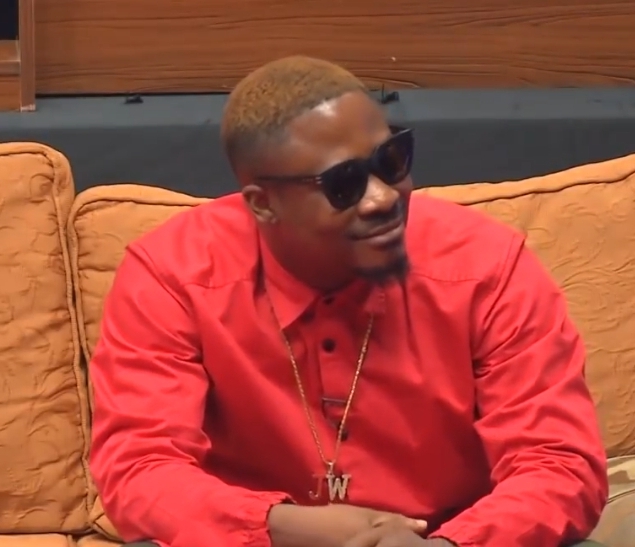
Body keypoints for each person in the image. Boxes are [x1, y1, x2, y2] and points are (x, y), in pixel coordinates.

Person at [89, 56, 608, 547]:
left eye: (391, 161)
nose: (383, 197)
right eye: (345, 183)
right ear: (263, 205)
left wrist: (448, 544)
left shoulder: (486, 265)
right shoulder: (173, 274)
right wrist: (286, 527)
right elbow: (139, 469)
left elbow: (559, 465)